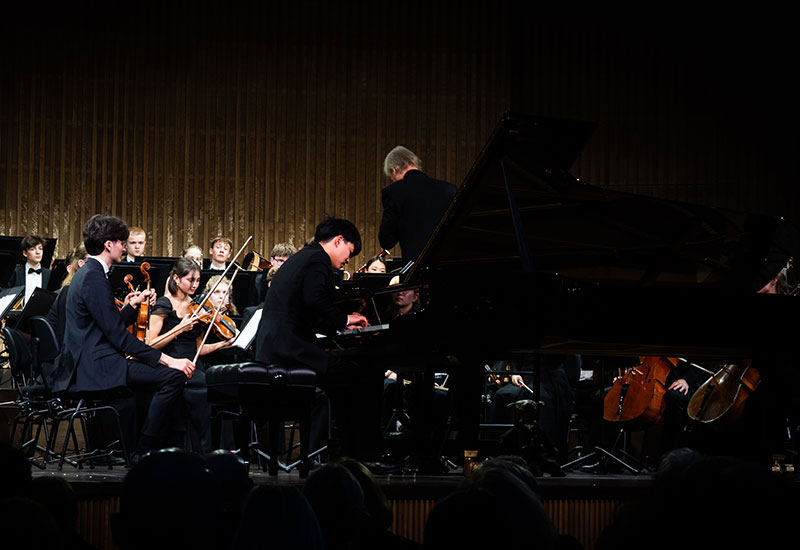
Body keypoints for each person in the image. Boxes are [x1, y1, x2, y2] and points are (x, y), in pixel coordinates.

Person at [50, 215, 195, 459]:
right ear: (109, 244)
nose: (124, 247)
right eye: (121, 242)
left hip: (94, 360)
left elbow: (106, 325)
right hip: (96, 366)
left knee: (151, 380)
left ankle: (134, 447)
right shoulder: (94, 277)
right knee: (173, 376)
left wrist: (131, 307)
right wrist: (168, 359)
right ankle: (143, 451)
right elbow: (117, 337)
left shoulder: (90, 273)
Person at [254, 218, 382, 461]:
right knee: (357, 376)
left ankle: (346, 452)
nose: (347, 259)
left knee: (349, 376)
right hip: (288, 350)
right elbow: (315, 300)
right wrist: (345, 320)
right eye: (349, 253)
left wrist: (344, 324)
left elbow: (309, 311)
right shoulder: (318, 260)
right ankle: (361, 455)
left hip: (278, 346)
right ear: (339, 240)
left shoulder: (304, 258)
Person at [147, 258, 233, 452]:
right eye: (190, 280)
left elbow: (198, 349)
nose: (195, 285)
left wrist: (221, 344)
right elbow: (150, 344)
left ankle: (213, 451)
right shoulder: (164, 304)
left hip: (194, 365)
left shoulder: (198, 307)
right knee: (201, 388)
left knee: (220, 387)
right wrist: (179, 328)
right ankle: (195, 449)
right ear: (176, 279)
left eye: (197, 280)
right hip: (170, 364)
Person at [379, 146, 457, 262]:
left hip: (416, 267)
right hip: (447, 264)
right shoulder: (449, 189)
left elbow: (387, 240)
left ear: (394, 170)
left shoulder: (393, 192)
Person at [6, 234, 51, 303]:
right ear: (25, 253)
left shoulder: (49, 274)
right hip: (19, 313)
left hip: (42, 313)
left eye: (40, 248)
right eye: (33, 249)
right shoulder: (16, 272)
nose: (38, 252)